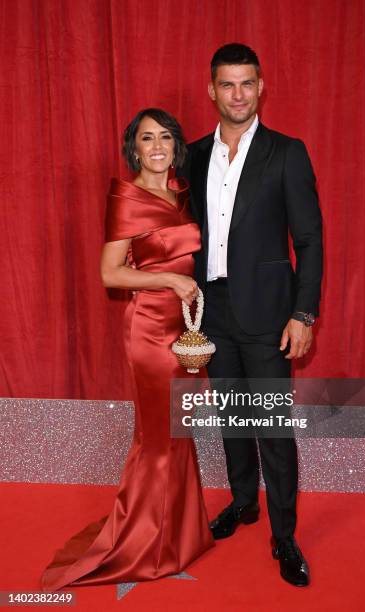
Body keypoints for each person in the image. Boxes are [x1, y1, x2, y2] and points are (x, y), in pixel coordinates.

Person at [40, 108, 214, 591]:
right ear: (133, 147)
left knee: (177, 433)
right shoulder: (126, 197)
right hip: (150, 330)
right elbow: (110, 273)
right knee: (159, 440)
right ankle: (145, 546)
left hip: (183, 327)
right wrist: (169, 279)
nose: (156, 146)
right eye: (146, 138)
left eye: (165, 137)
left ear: (176, 144)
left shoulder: (179, 192)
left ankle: (180, 536)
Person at [180, 43, 323, 587]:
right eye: (227, 84)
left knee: (270, 427)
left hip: (268, 315)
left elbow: (309, 239)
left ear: (260, 87)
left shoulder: (287, 152)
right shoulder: (191, 155)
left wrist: (303, 314)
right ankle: (244, 503)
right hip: (211, 313)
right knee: (233, 420)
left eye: (247, 83)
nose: (237, 94)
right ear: (211, 89)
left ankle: (284, 536)